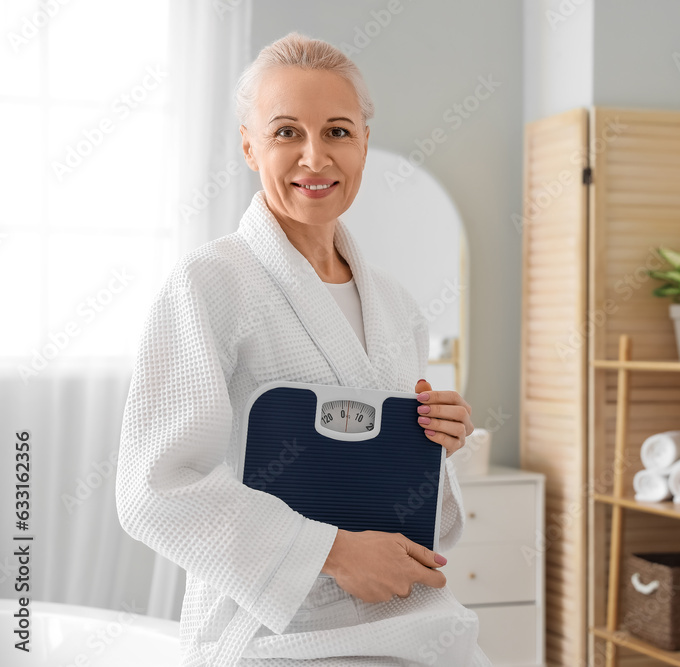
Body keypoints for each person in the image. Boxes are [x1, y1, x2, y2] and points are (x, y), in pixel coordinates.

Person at [115, 32, 491, 666]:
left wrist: (438, 441)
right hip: (274, 629)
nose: (315, 157)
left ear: (365, 142)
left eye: (338, 131)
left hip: (414, 619)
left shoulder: (397, 307)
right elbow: (154, 489)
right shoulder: (208, 284)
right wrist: (331, 552)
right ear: (248, 145)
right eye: (286, 132)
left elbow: (389, 488)